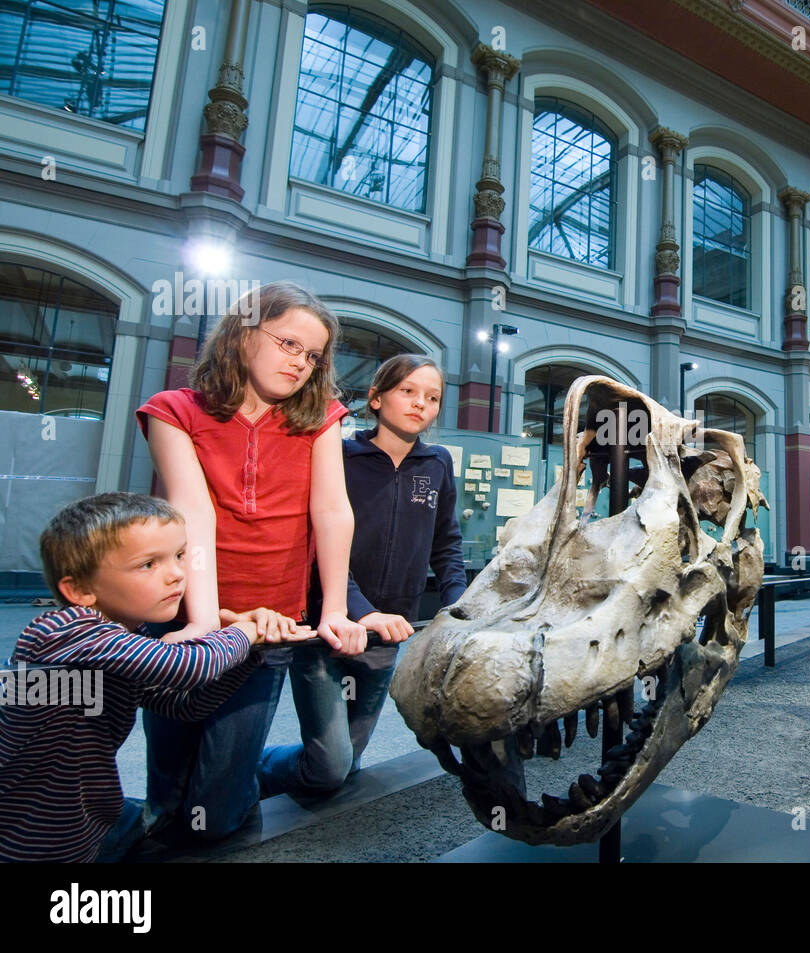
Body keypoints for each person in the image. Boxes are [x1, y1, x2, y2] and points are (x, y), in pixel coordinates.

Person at [135, 281, 367, 841]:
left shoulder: (320, 419)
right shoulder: (175, 411)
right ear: (243, 332)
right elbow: (191, 512)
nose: (300, 363)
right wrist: (202, 619)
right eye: (289, 344)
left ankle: (236, 794)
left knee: (215, 814)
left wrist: (333, 608)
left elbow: (332, 511)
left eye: (312, 356)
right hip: (183, 617)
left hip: (268, 629)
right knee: (167, 795)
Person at [0, 492, 311, 863]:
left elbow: (184, 705)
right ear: (79, 590)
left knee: (122, 825)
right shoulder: (63, 631)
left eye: (179, 556)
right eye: (148, 564)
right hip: (34, 826)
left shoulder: (117, 646)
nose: (178, 573)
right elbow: (187, 667)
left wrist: (254, 654)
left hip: (86, 813)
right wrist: (243, 633)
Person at [260, 354, 466, 796]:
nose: (420, 404)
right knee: (331, 768)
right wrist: (360, 609)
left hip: (389, 631)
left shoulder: (437, 464)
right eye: (407, 391)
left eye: (432, 398)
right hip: (329, 627)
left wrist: (459, 605)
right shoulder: (339, 455)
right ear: (375, 398)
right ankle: (252, 770)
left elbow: (446, 543)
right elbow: (316, 542)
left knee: (347, 764)